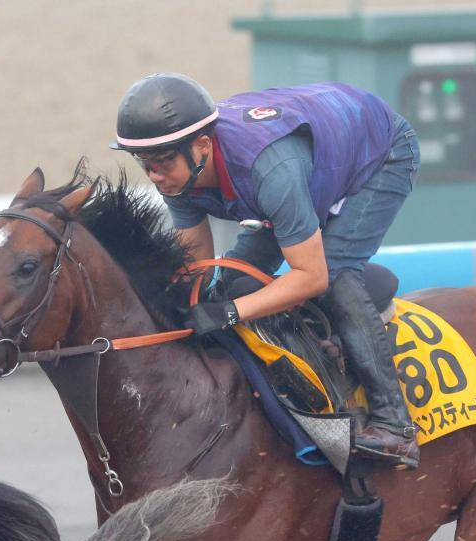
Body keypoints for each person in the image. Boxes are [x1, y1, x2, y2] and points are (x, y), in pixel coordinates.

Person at [110, 73, 421, 469]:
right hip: (302, 162)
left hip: (381, 151)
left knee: (336, 273)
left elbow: (312, 276)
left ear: (202, 146)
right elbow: (196, 266)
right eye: (144, 164)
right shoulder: (180, 173)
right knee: (231, 281)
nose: (154, 176)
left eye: (162, 163)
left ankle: (395, 425)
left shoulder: (270, 170)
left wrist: (230, 313)